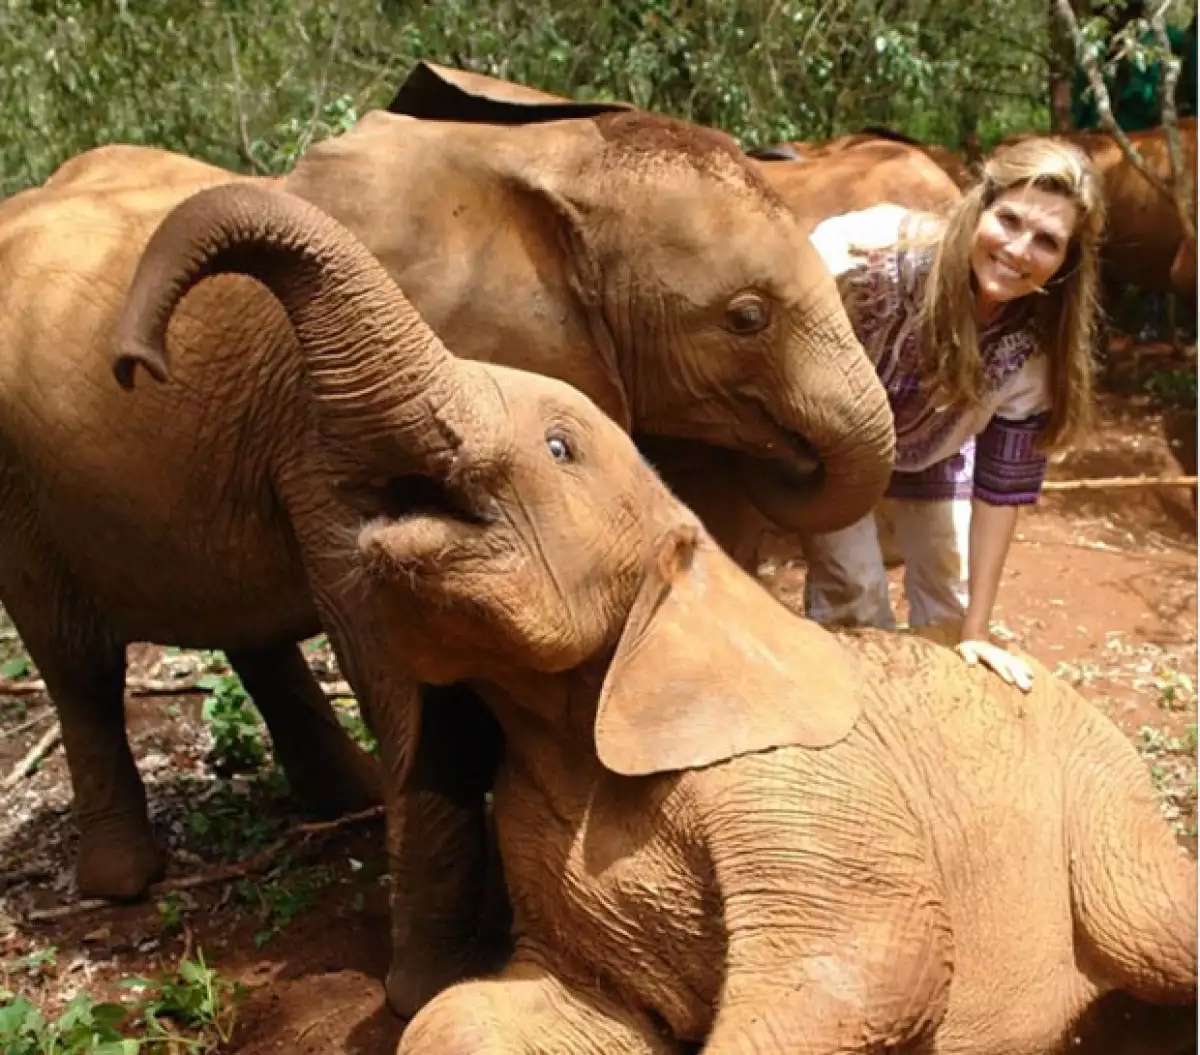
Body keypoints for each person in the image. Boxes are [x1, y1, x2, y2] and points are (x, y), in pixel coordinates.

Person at [802, 136, 1106, 691]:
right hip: (833, 448)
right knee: (855, 592)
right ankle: (852, 716)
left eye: (1047, 241)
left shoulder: (1034, 355)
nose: (1019, 250)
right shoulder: (866, 254)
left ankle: (935, 717)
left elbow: (999, 491)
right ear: (979, 206)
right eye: (1009, 220)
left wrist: (978, 630)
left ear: (1067, 263)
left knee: (951, 594)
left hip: (933, 454)